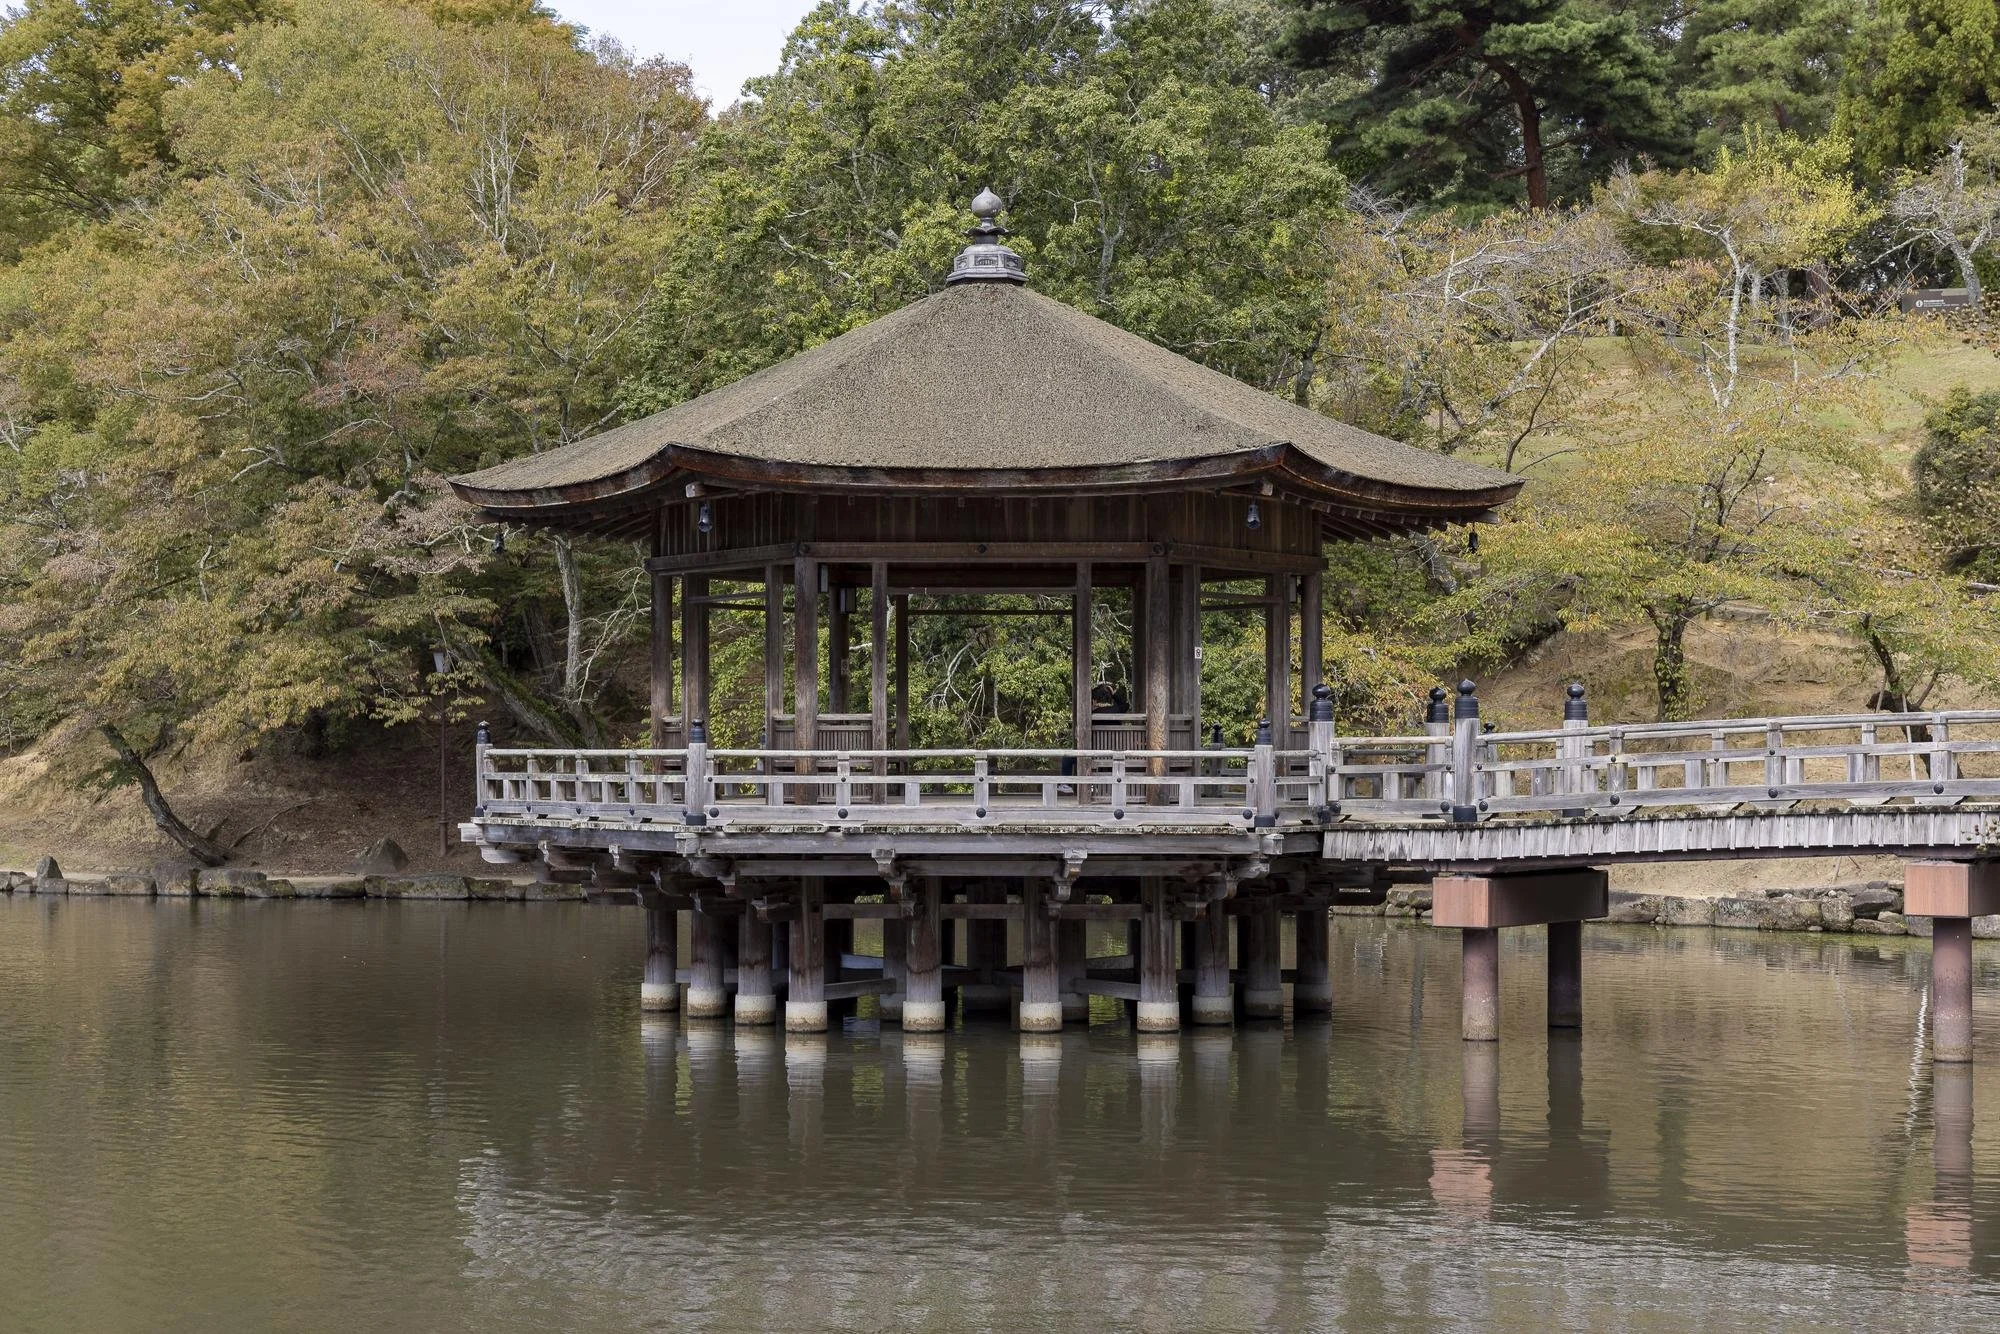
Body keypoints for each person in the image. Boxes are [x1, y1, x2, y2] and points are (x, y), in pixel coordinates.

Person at [1060, 681, 1128, 793]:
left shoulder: (1089, 715)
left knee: (1067, 757)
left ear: (1094, 701)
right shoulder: (1117, 710)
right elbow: (1126, 705)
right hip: (1114, 753)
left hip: (1093, 754)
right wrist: (1114, 694)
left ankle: (1064, 783)